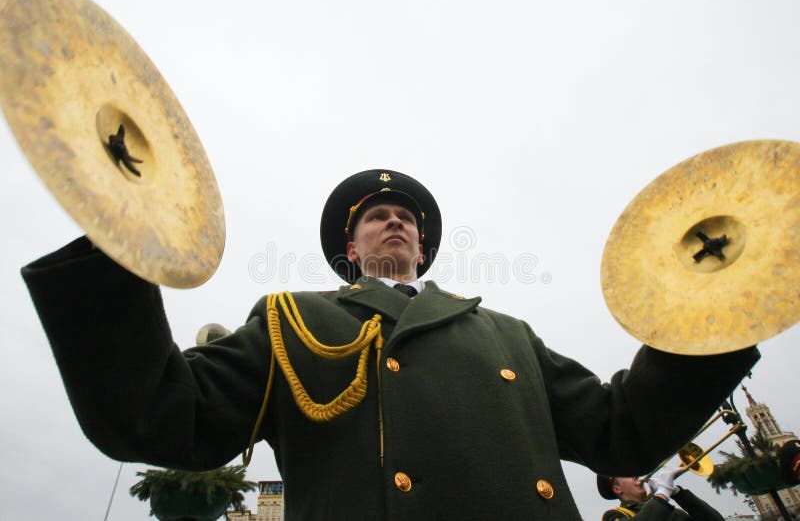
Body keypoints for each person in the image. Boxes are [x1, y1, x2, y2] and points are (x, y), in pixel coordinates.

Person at [21, 169, 758, 520]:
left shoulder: (504, 332)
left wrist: (711, 316)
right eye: (377, 216)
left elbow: (620, 430)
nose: (395, 222)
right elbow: (160, 416)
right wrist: (115, 253)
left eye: (406, 216)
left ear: (426, 244)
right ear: (351, 244)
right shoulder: (289, 319)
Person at [597, 468, 724, 520]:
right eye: (627, 474)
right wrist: (663, 492)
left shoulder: (674, 512)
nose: (636, 475)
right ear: (617, 489)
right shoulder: (613, 515)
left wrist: (678, 493)